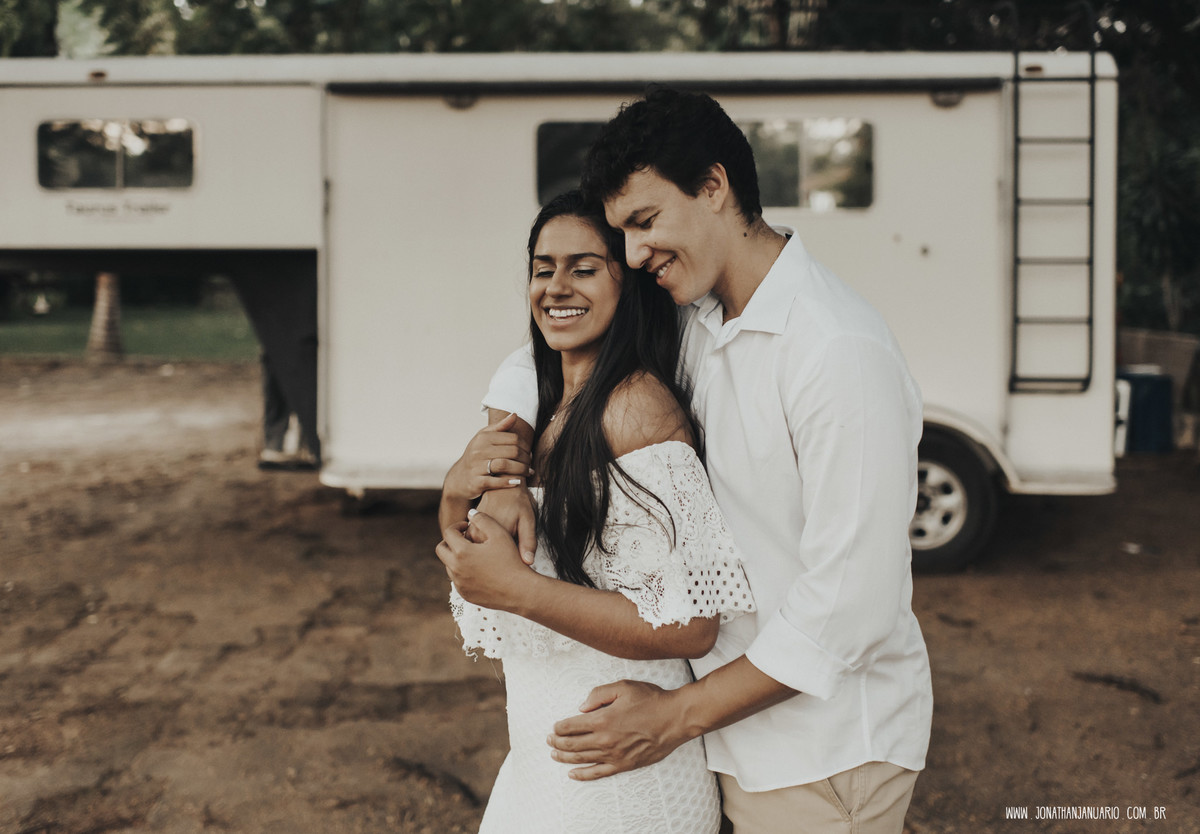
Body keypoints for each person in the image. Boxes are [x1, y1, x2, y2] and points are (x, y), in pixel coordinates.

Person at [442, 88, 933, 833]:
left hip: (824, 755)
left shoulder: (835, 352)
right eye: (624, 233)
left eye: (645, 222)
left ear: (714, 186)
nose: (636, 256)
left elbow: (851, 609)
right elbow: (549, 342)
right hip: (722, 739)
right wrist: (505, 458)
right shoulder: (697, 313)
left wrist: (674, 716)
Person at [436, 190, 755, 834]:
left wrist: (523, 592)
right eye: (542, 267)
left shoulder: (634, 408)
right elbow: (483, 566)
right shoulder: (548, 405)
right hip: (540, 762)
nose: (556, 286)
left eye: (583, 268)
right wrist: (453, 494)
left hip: (619, 778)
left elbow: (691, 627)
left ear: (627, 285)